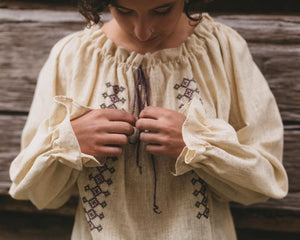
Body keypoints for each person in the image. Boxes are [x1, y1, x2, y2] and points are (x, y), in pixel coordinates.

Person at [9, 0, 288, 239]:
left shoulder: (222, 48)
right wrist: (70, 141)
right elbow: (34, 190)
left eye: (161, 10)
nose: (143, 32)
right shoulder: (73, 57)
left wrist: (196, 143)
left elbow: (266, 180)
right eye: (124, 10)